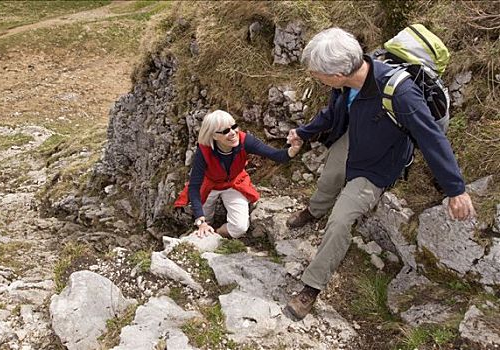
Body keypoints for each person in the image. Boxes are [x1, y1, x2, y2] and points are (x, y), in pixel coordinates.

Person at [284, 28, 476, 320]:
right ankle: (313, 210)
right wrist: (304, 132)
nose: (316, 79)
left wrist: (455, 189)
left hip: (377, 164)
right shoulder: (350, 78)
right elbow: (333, 113)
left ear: (337, 74)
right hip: (355, 139)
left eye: (317, 75)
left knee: (340, 222)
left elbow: (430, 138)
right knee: (329, 177)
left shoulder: (401, 92)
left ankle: (311, 287)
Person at [175, 110, 303, 239]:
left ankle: (217, 234)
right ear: (214, 136)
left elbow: (276, 155)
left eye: (234, 127)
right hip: (209, 185)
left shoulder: (245, 140)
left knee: (239, 228)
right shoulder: (204, 151)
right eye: (225, 131)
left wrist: (293, 149)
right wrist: (201, 222)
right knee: (205, 219)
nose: (233, 133)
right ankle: (207, 228)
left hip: (234, 183)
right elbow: (194, 186)